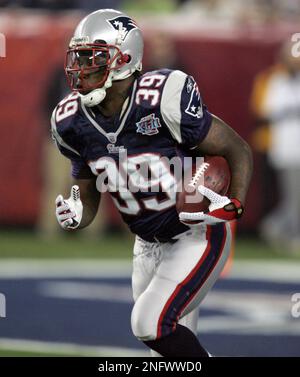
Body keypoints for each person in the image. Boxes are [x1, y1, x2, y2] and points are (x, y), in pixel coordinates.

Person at [51, 9, 252, 357]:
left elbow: (237, 148)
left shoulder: (161, 98)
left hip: (195, 235)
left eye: (92, 57)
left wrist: (233, 203)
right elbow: (86, 194)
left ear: (124, 58)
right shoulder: (71, 121)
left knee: (150, 324)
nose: (80, 67)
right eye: (78, 56)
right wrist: (75, 212)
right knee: (165, 347)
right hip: (145, 245)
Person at [251, 39, 300, 254]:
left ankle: (274, 228)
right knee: (293, 196)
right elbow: (265, 111)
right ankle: (284, 232)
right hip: (285, 147)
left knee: (294, 198)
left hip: (295, 144)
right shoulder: (274, 81)